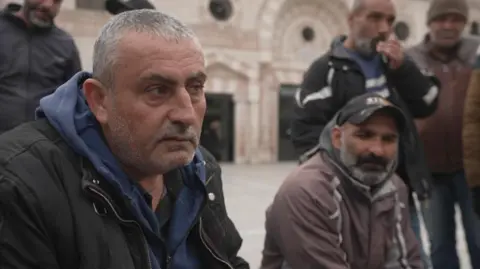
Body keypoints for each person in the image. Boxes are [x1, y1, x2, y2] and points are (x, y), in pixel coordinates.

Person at [0, 10, 248, 269]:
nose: (186, 114)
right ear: (99, 100)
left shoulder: (200, 171)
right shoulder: (20, 186)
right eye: (157, 90)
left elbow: (227, 259)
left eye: (195, 88)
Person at [289, 0, 438, 266]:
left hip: (400, 194)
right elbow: (304, 133)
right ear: (351, 19)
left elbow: (428, 102)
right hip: (349, 198)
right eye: (375, 17)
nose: (384, 28)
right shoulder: (326, 70)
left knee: (413, 261)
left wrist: (403, 69)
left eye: (390, 21)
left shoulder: (395, 66)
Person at [261, 93, 422, 269]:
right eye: (364, 135)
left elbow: (406, 262)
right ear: (337, 138)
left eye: (389, 139)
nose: (378, 150)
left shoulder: (394, 187)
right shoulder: (307, 191)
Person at [407, 0, 480, 268]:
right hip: (430, 172)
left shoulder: (476, 53)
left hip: (473, 171)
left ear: (464, 22)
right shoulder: (411, 58)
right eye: (441, 19)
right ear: (429, 22)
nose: (448, 25)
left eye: (455, 19)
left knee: (479, 240)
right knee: (439, 245)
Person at [0, 1, 81, 135]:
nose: (47, 5)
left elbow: (76, 98)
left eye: (56, 1)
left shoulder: (65, 44)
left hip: (41, 145)